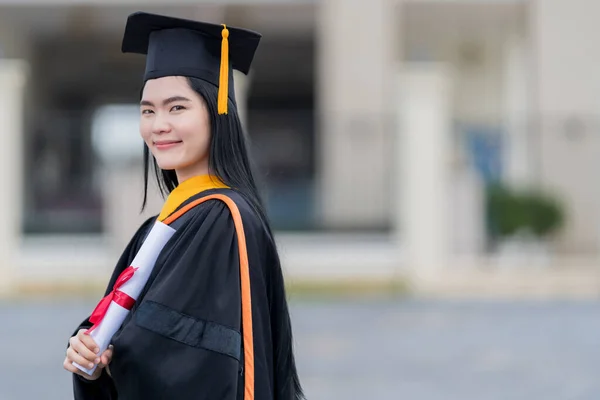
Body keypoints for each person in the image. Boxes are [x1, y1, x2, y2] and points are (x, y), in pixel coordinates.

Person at [62, 11, 304, 400]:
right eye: (147, 110)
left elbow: (190, 360)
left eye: (177, 108)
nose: (158, 124)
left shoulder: (222, 220)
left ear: (216, 111)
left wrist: (114, 354)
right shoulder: (168, 224)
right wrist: (90, 355)